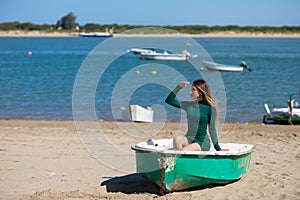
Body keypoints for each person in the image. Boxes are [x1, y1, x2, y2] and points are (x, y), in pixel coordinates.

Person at [165, 79, 225, 151]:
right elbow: (169, 100)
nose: (190, 92)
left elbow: (212, 129)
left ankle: (179, 159)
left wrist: (218, 148)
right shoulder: (189, 105)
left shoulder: (210, 109)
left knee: (185, 150)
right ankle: (181, 159)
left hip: (201, 142)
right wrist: (179, 87)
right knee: (177, 139)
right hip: (189, 138)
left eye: (193, 90)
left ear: (200, 92)